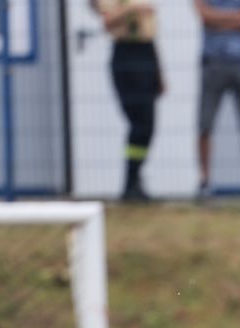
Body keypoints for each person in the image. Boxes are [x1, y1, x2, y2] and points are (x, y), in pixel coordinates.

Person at [93, 0, 162, 202]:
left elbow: (150, 32)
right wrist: (132, 9)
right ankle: (130, 182)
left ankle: (136, 178)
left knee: (147, 125)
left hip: (146, 52)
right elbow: (107, 22)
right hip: (126, 54)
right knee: (138, 124)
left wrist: (159, 74)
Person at [195, 0, 240, 202]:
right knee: (205, 125)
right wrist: (238, 19)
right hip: (212, 62)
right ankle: (204, 182)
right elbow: (204, 16)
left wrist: (220, 20)